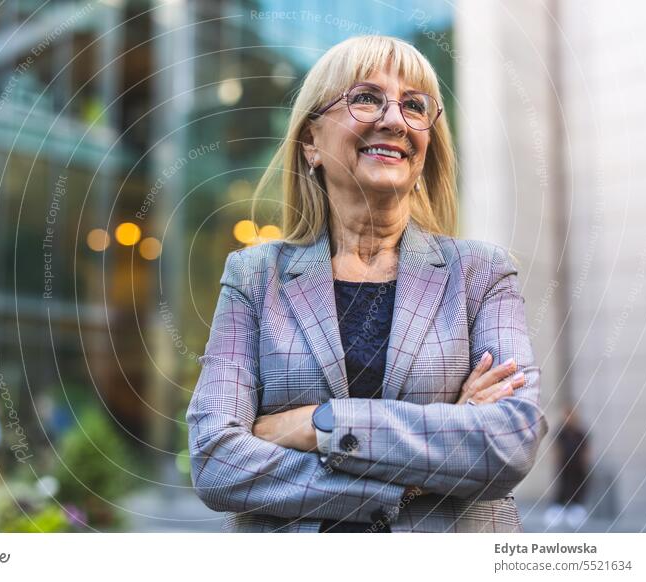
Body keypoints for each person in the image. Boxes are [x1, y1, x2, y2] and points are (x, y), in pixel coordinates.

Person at [186, 35, 548, 533]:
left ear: (426, 145)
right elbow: (216, 462)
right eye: (366, 98)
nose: (395, 120)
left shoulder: (481, 274)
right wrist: (420, 470)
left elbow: (511, 439)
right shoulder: (255, 277)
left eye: (415, 106)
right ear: (311, 142)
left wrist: (320, 425)